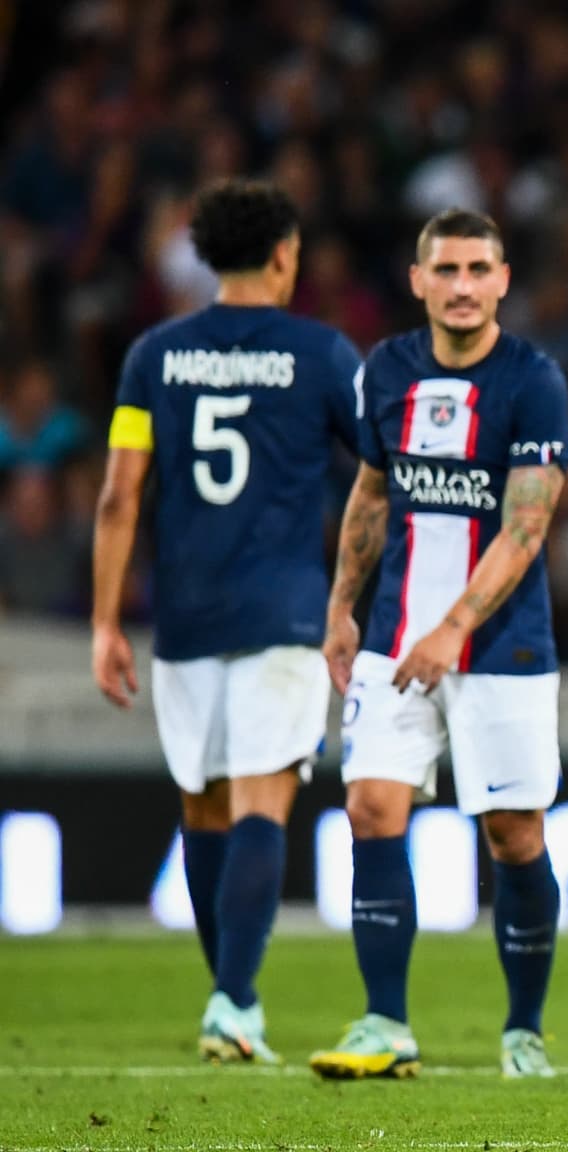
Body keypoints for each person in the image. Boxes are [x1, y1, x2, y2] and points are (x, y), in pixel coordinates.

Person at [89, 179, 362, 1063]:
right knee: (260, 807)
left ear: (208, 257)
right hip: (284, 610)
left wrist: (103, 621)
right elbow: (384, 469)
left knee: (204, 811)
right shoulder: (324, 356)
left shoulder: (153, 358)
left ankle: (228, 1002)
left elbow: (119, 494)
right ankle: (234, 1002)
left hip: (186, 614)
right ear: (284, 254)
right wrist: (355, 597)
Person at [313, 208, 568, 1080]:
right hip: (392, 639)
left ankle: (523, 1029)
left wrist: (455, 626)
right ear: (417, 280)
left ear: (503, 280)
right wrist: (343, 606)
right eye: (446, 270)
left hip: (501, 645)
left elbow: (527, 526)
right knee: (371, 809)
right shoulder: (384, 370)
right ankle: (384, 1022)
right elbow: (373, 490)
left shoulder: (533, 382)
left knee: (512, 832)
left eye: (479, 269)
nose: (462, 286)